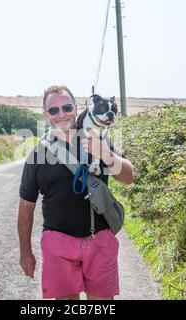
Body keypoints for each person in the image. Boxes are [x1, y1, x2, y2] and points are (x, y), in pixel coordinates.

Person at [17, 85, 134, 300]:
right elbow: (26, 206)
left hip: (100, 239)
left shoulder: (99, 139)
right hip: (57, 243)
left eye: (67, 107)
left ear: (76, 108)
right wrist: (25, 252)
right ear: (46, 116)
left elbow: (128, 177)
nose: (61, 114)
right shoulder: (38, 153)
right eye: (53, 110)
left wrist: (106, 154)